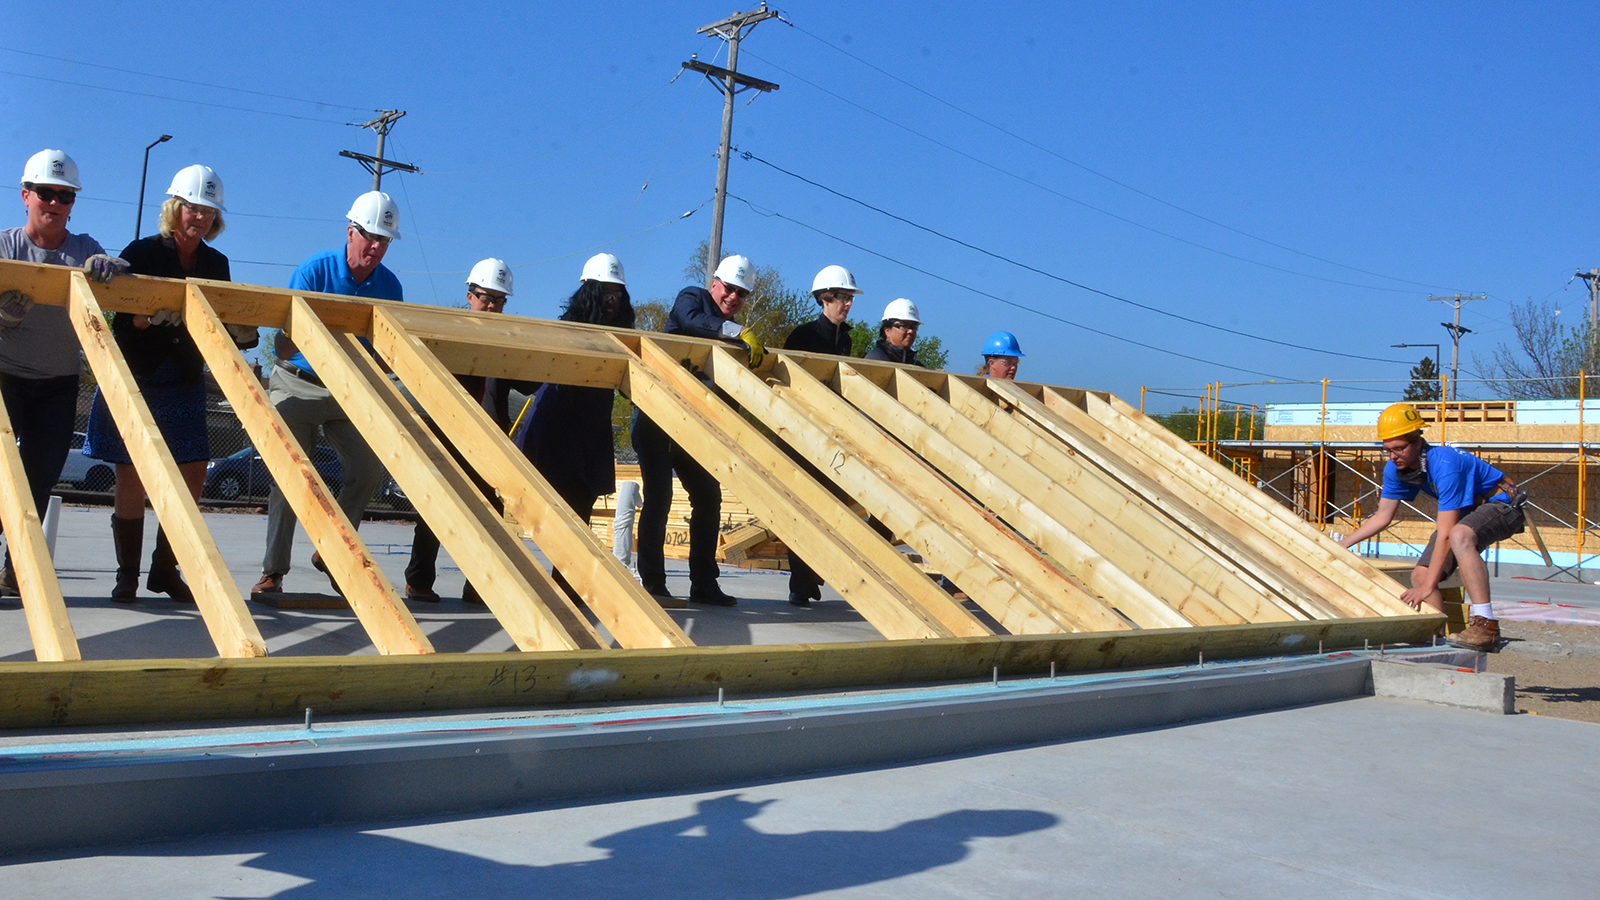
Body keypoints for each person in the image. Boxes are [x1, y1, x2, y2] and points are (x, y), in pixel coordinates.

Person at [85, 165, 258, 602]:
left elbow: (223, 318)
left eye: (206, 212)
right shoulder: (142, 251)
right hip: (137, 373)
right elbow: (121, 316)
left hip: (182, 375)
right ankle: (127, 576)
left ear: (215, 219)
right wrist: (148, 318)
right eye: (191, 208)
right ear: (174, 209)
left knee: (194, 472)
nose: (198, 218)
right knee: (131, 475)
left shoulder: (216, 264)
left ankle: (164, 569)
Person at [253, 191, 401, 596]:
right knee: (291, 475)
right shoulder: (313, 271)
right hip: (298, 380)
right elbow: (285, 340)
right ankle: (273, 572)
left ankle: (333, 549)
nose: (376, 247)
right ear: (350, 231)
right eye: (370, 236)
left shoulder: (390, 287)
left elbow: (387, 352)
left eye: (384, 241)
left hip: (349, 389)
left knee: (369, 470)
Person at [0, 149, 127, 596]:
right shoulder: (5, 246)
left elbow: (118, 285)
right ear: (26, 195)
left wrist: (107, 272)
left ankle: (18, 569)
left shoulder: (84, 250)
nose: (55, 203)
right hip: (6, 374)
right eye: (46, 194)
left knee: (41, 473)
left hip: (56, 381)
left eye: (65, 196)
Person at [1337, 402, 1525, 651]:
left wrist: (1427, 589)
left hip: (1503, 505)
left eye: (1400, 448)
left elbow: (1447, 532)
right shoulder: (1395, 469)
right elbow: (1383, 516)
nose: (1393, 456)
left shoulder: (1445, 464)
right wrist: (1342, 545)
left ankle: (1485, 625)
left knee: (1460, 535)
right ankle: (1435, 639)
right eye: (1388, 450)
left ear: (1417, 442)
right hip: (1472, 510)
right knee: (1421, 575)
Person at [631, 254, 764, 607]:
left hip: (695, 429)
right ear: (714, 284)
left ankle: (704, 584)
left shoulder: (734, 339)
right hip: (657, 419)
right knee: (659, 499)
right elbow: (691, 321)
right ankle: (653, 584)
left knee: (708, 499)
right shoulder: (691, 299)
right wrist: (737, 332)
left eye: (742, 294)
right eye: (730, 289)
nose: (734, 298)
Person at [404, 257, 528, 604]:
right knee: (435, 508)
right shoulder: (446, 333)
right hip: (446, 433)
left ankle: (478, 585)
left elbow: (529, 380)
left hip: (490, 440)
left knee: (487, 516)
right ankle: (419, 581)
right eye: (485, 297)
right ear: (469, 295)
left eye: (499, 300)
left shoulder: (506, 340)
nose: (491, 306)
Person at [513, 253, 635, 604]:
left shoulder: (621, 337)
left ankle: (567, 593)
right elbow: (527, 377)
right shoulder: (566, 329)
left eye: (618, 295)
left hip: (591, 434)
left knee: (580, 511)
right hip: (556, 430)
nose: (612, 302)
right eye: (605, 294)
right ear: (588, 292)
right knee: (549, 512)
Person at [780, 264, 863, 607]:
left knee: (832, 509)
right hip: (802, 434)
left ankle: (811, 575)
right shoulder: (802, 337)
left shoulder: (845, 340)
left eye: (849, 298)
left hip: (831, 435)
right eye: (842, 297)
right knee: (804, 510)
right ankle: (800, 583)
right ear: (824, 298)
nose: (847, 304)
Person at [864, 298, 924, 366]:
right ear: (887, 331)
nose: (911, 331)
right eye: (904, 326)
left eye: (914, 327)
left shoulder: (917, 366)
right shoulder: (876, 360)